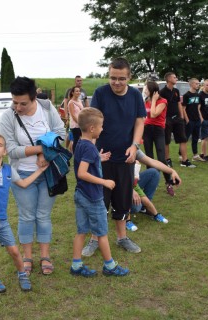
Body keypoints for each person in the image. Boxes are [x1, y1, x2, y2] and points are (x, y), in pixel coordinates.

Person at [0, 76, 66, 276]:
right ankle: (27, 258)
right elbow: (9, 149)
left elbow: (60, 132)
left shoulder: (47, 109)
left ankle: (45, 256)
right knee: (27, 216)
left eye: (23, 103)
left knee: (43, 216)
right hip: (21, 174)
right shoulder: (8, 116)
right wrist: (39, 150)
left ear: (34, 96)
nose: (18, 107)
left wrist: (47, 154)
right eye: (15, 102)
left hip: (49, 173)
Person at [84, 57, 146, 254]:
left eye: (121, 78)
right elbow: (91, 123)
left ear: (129, 77)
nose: (117, 83)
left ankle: (122, 238)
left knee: (122, 199)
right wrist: (93, 153)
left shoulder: (135, 95)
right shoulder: (101, 93)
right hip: (103, 158)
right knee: (99, 200)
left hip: (126, 158)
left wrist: (135, 146)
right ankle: (95, 239)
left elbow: (139, 122)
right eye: (113, 78)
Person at [0, 133, 48, 293]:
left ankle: (22, 274)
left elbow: (23, 183)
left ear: (5, 151)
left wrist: (40, 171)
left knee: (15, 251)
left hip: (2, 220)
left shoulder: (10, 169)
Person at [84, 148, 180, 254]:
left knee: (125, 206)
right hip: (105, 182)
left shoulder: (131, 146)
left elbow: (150, 161)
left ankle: (122, 238)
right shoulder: (103, 142)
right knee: (101, 209)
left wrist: (171, 171)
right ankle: (94, 240)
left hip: (125, 182)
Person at [71, 107, 129, 277]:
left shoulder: (81, 143)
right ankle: (110, 266)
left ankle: (76, 265)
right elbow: (82, 173)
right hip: (92, 196)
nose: (102, 129)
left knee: (81, 231)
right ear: (92, 128)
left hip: (80, 194)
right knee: (101, 232)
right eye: (101, 126)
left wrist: (99, 158)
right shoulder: (89, 148)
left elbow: (85, 161)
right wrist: (104, 181)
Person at [142, 81, 174, 196]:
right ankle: (150, 184)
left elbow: (154, 114)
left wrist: (154, 100)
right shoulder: (145, 101)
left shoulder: (163, 101)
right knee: (149, 158)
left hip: (158, 130)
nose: (144, 90)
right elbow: (144, 116)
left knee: (161, 158)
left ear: (151, 89)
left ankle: (169, 182)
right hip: (147, 130)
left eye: (146, 88)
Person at [159, 72, 194, 168]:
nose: (176, 79)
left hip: (177, 118)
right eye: (174, 77)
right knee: (166, 140)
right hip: (167, 119)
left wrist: (181, 117)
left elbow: (179, 103)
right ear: (169, 79)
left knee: (183, 139)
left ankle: (184, 160)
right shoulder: (162, 92)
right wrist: (164, 119)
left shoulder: (176, 91)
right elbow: (160, 106)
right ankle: (167, 159)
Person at [63, 76, 90, 149]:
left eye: (81, 80)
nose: (80, 82)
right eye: (78, 80)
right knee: (71, 134)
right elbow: (65, 102)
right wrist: (66, 113)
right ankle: (66, 148)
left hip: (81, 117)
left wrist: (88, 112)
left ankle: (76, 149)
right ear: (75, 81)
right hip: (74, 118)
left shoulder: (83, 91)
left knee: (78, 136)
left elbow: (86, 102)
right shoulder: (69, 91)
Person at [182, 78, 204, 163]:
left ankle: (195, 155)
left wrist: (200, 117)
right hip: (189, 120)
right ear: (191, 84)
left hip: (197, 120)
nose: (198, 85)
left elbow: (198, 108)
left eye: (198, 83)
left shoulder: (198, 95)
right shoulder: (186, 95)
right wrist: (187, 119)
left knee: (195, 138)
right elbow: (183, 108)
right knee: (186, 138)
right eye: (196, 83)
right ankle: (181, 154)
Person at [199, 79, 208, 161]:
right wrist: (201, 119)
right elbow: (198, 108)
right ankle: (205, 155)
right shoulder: (200, 95)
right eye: (207, 85)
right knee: (205, 137)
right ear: (203, 85)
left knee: (206, 138)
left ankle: (202, 153)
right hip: (204, 119)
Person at [68, 86, 84, 152]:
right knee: (76, 140)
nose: (78, 92)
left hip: (81, 123)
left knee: (82, 139)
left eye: (79, 91)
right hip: (75, 125)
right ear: (72, 93)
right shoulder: (71, 102)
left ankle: (80, 152)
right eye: (76, 91)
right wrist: (79, 123)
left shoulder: (79, 101)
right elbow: (73, 115)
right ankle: (75, 154)